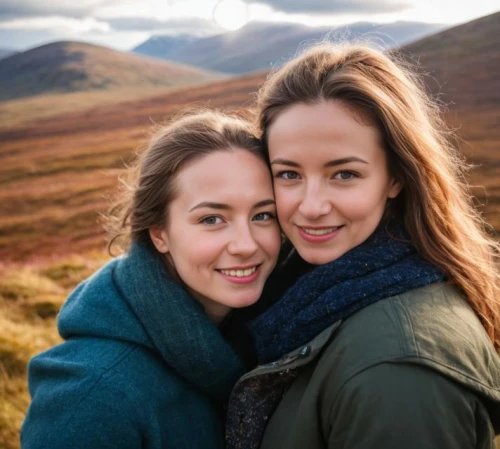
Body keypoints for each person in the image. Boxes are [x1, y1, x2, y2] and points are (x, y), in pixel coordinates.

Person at [225, 42, 500, 449]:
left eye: (345, 174)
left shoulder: (398, 370)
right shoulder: (303, 291)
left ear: (396, 178)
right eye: (288, 174)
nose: (312, 206)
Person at [20, 110, 281, 449]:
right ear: (159, 233)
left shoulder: (269, 334)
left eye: (263, 215)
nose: (246, 245)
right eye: (212, 219)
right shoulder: (92, 397)